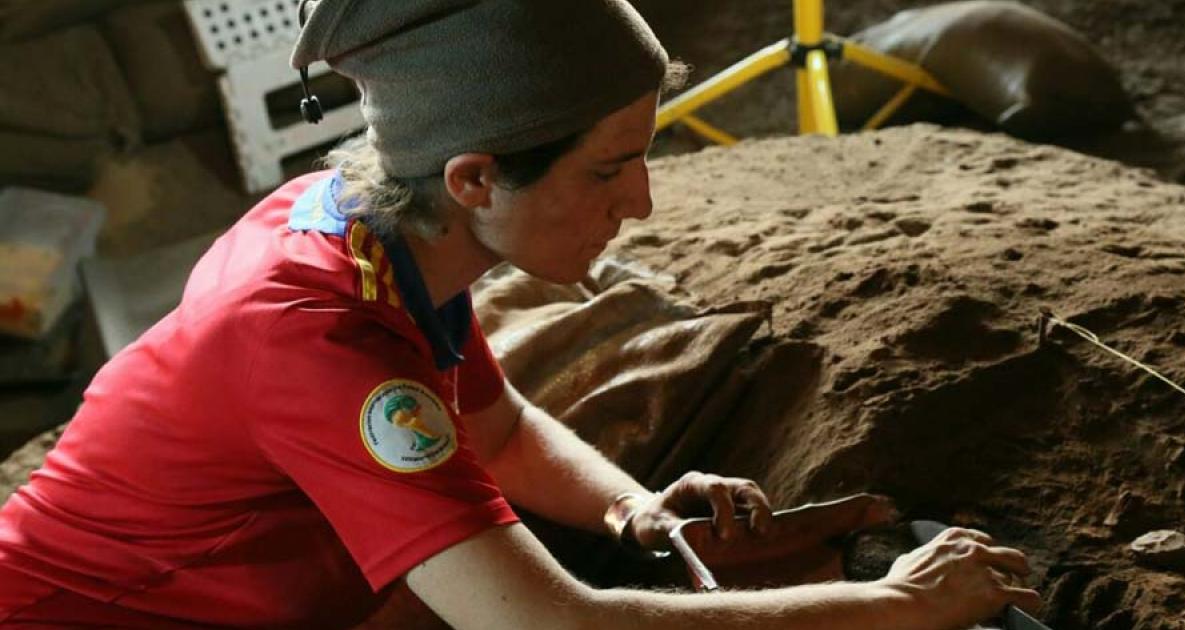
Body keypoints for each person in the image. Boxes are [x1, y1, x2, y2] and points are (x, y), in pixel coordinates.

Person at [0, 1, 1041, 628]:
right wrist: (896, 609)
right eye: (609, 170)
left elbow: (494, 428)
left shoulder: (376, 234)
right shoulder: (312, 334)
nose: (639, 204)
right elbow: (548, 623)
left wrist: (633, 508)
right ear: (475, 178)